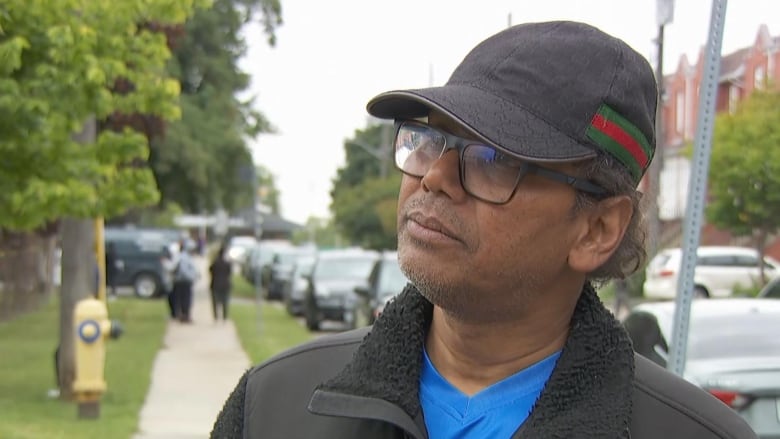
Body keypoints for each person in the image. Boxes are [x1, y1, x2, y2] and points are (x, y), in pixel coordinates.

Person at [211, 21, 757, 438]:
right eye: (431, 140)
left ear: (597, 228)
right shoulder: (276, 406)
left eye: (493, 158)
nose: (436, 177)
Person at [172, 240, 199, 323]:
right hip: (183, 281)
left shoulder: (187, 257)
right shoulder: (184, 257)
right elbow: (184, 270)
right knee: (185, 299)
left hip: (185, 281)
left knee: (185, 299)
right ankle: (184, 316)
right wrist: (191, 277)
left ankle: (185, 315)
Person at [209, 244, 232, 321]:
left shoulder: (215, 262)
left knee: (215, 302)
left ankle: (216, 316)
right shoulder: (227, 263)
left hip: (215, 284)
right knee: (225, 301)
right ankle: (224, 316)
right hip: (225, 284)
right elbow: (229, 272)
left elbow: (210, 270)